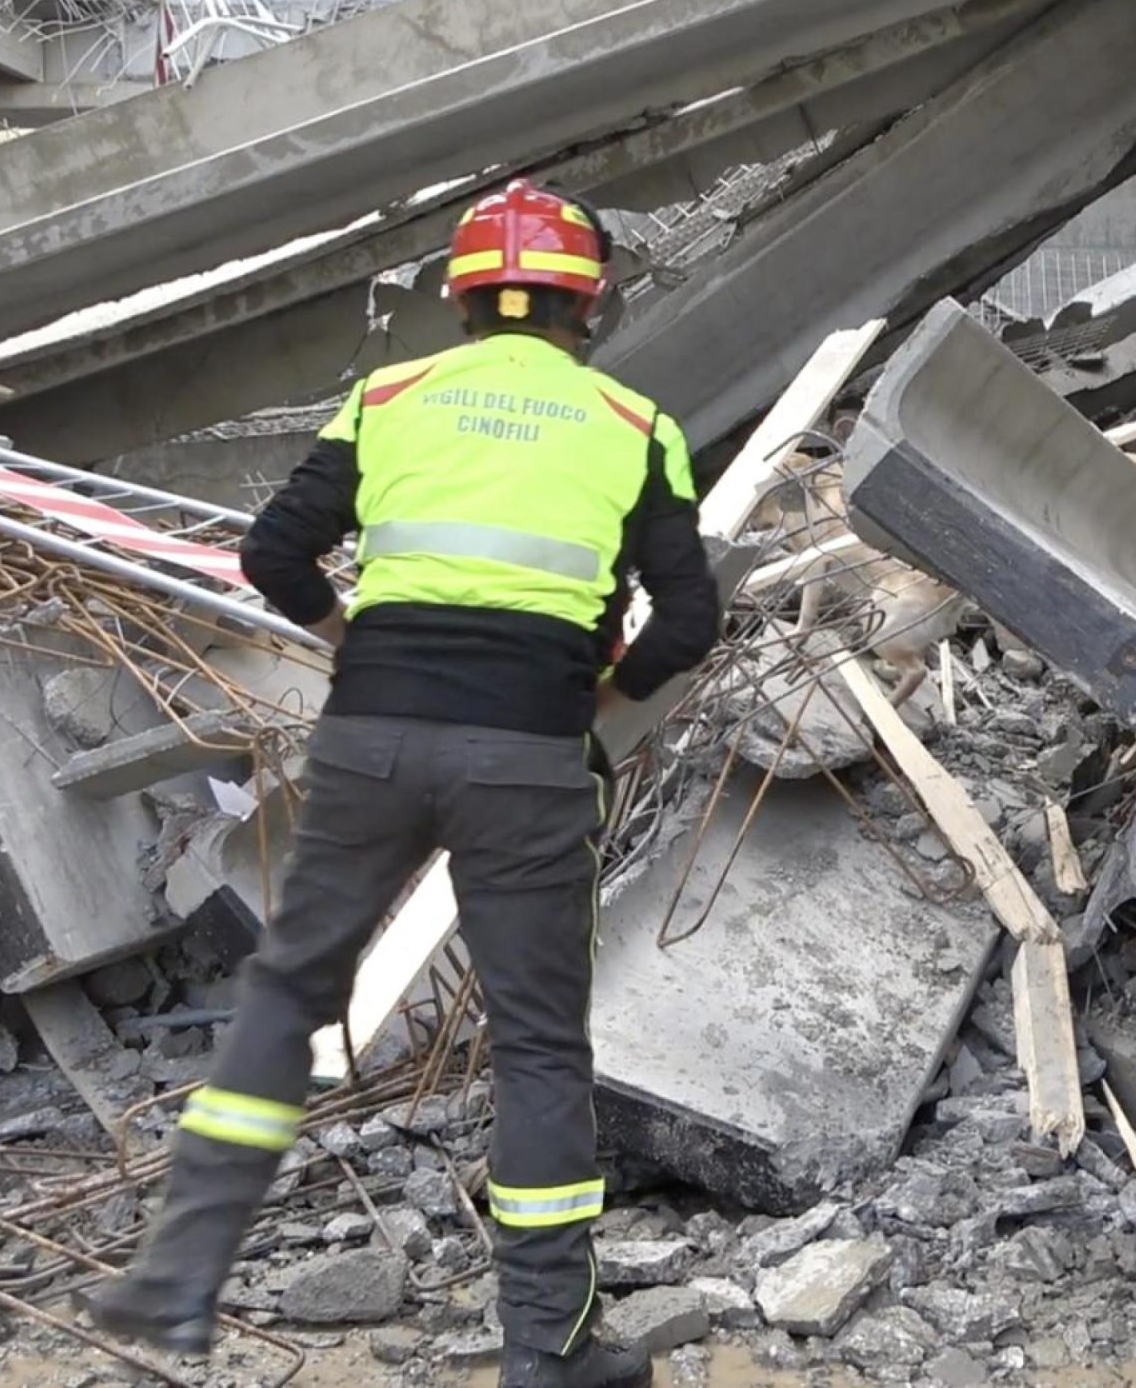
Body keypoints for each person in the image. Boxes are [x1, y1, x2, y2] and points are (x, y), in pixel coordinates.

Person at [90, 178, 719, 1388]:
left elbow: (271, 549)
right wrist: (591, 698)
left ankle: (176, 1280)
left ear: (465, 295)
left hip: (371, 739)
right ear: (591, 301)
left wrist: (347, 639)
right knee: (536, 1044)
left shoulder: (388, 396)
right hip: (529, 759)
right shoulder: (634, 425)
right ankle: (548, 1350)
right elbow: (688, 615)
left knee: (290, 986)